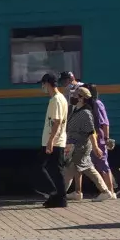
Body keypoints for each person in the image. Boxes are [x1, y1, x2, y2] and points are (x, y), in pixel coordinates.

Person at [63, 86, 116, 203]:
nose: (72, 97)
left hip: (81, 146)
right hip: (74, 145)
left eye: (75, 95)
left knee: (84, 169)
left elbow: (91, 132)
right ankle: (64, 193)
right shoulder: (76, 110)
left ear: (81, 98)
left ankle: (105, 191)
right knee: (73, 169)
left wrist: (96, 148)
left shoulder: (86, 113)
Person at [38, 73, 69, 208]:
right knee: (56, 170)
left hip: (54, 141)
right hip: (57, 140)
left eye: (43, 84)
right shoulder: (61, 98)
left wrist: (50, 140)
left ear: (48, 83)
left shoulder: (55, 100)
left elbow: (57, 122)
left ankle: (55, 193)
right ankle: (59, 198)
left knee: (40, 168)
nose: (42, 87)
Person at [87, 84, 120, 195]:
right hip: (95, 138)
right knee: (98, 165)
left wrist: (106, 138)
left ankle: (110, 191)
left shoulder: (97, 103)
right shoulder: (92, 104)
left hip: (99, 139)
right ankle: (107, 190)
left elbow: (105, 123)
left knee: (103, 165)